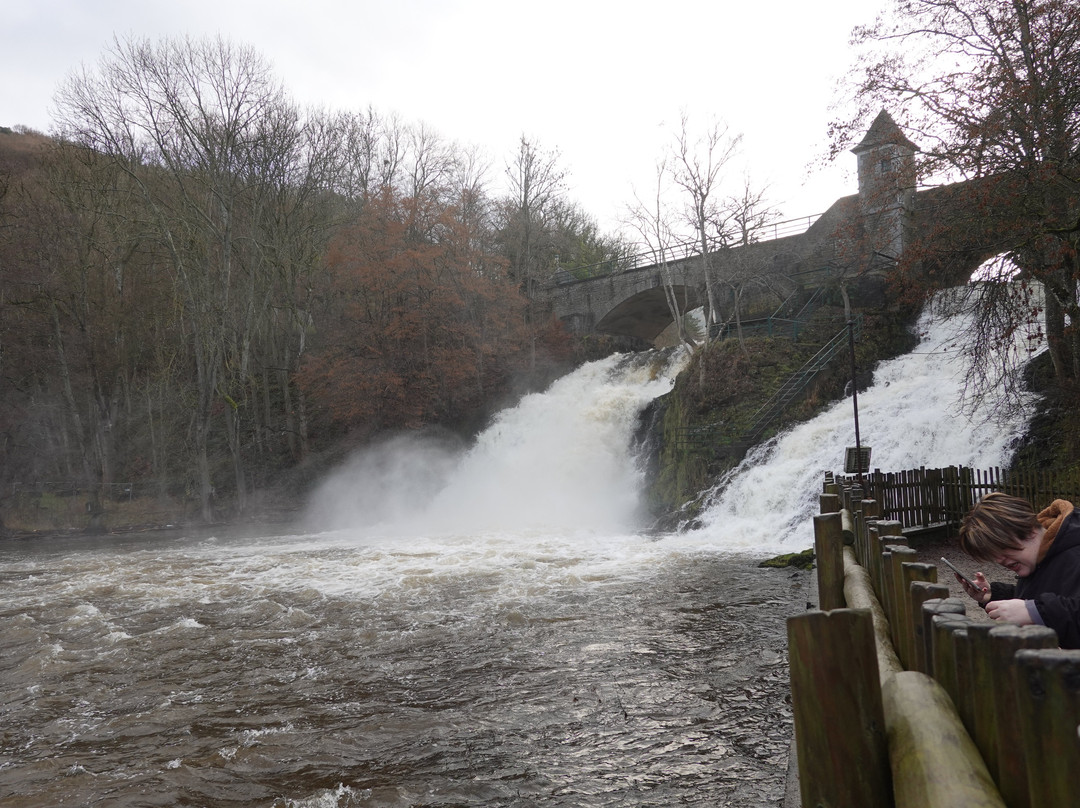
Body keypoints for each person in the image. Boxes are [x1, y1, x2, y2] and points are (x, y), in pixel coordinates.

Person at [953, 492, 1080, 649]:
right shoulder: (1039, 558)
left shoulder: (1074, 554)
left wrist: (1035, 613)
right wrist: (993, 595)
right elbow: (1045, 596)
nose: (999, 560)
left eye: (1002, 549)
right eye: (993, 555)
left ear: (1029, 531)